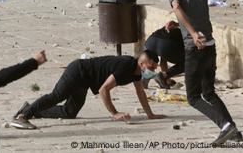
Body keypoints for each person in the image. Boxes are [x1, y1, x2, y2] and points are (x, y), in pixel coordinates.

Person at [169, 0, 242, 145]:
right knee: (209, 92)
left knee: (193, 97)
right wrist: (182, 26)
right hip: (210, 46)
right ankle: (233, 131)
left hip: (195, 50)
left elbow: (177, 8)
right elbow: (192, 16)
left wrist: (192, 33)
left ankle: (225, 126)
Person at [9, 51, 165, 130]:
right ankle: (23, 116)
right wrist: (115, 113)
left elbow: (140, 93)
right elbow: (104, 90)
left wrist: (150, 114)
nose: (152, 71)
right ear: (142, 62)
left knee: (69, 112)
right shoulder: (126, 67)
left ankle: (30, 108)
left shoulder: (136, 73)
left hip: (85, 79)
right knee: (56, 96)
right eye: (151, 67)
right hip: (78, 71)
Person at [144, 21, 185, 89]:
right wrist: (165, 75)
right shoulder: (191, 33)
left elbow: (163, 60)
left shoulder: (173, 28)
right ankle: (163, 76)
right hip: (166, 45)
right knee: (189, 62)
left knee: (154, 59)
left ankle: (146, 78)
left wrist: (167, 80)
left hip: (151, 41)